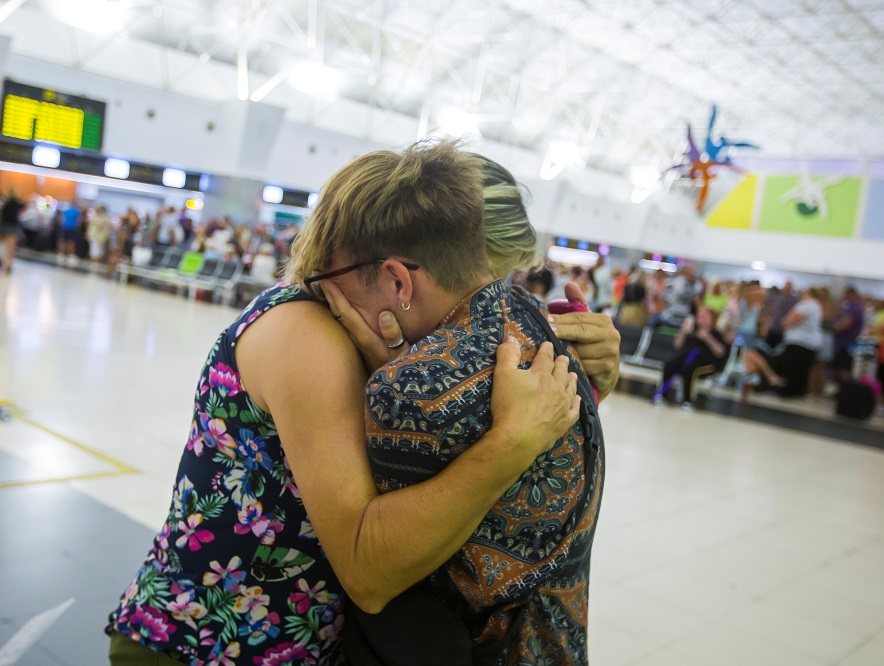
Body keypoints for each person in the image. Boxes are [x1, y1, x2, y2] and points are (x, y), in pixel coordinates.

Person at [106, 145, 621, 665]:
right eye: (474, 290)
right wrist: (514, 440)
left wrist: (588, 385)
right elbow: (367, 568)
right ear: (404, 279)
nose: (480, 325)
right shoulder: (307, 333)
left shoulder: (394, 349)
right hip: (200, 647)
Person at [292, 142, 604, 665]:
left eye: (329, 284)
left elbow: (373, 576)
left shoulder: (411, 388)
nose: (329, 302)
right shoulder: (548, 336)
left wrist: (395, 376)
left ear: (397, 279)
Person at [652, 305, 729, 409]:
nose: (701, 320)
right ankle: (662, 395)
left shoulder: (715, 333)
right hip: (685, 358)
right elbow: (677, 345)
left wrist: (707, 338)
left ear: (712, 319)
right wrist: (683, 333)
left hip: (706, 364)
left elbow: (720, 352)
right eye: (699, 317)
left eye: (704, 317)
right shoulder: (691, 332)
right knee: (670, 364)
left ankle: (687, 400)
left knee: (690, 368)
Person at [771, 286, 824, 397]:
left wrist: (784, 322)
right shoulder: (817, 306)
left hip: (798, 342)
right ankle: (798, 392)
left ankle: (786, 391)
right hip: (811, 343)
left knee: (791, 369)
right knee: (802, 371)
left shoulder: (806, 305)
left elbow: (793, 319)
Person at [832, 287, 865, 384]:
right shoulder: (849, 306)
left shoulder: (855, 307)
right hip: (843, 342)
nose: (842, 296)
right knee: (839, 366)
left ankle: (845, 389)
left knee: (843, 367)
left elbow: (846, 323)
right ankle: (841, 390)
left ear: (851, 294)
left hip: (846, 343)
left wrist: (832, 330)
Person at [0, 188, 24, 275]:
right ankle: (9, 265)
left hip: (4, 226)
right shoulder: (19, 204)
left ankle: (3, 263)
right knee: (11, 248)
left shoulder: (6, 202)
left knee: (3, 246)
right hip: (13, 227)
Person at [58, 201, 80, 266]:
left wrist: (62, 225)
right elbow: (78, 221)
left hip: (65, 227)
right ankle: (70, 255)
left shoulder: (66, 210)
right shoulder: (76, 211)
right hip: (72, 228)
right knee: (71, 242)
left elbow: (61, 219)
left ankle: (61, 255)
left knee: (63, 241)